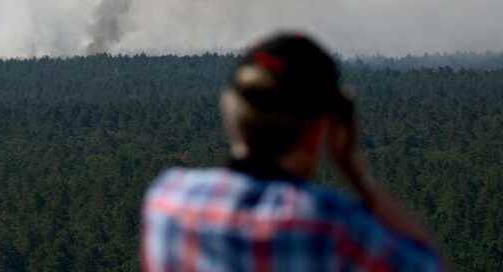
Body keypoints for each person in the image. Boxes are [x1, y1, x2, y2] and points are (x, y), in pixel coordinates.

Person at [141, 33, 443, 271]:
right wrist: (355, 173)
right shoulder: (333, 226)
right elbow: (427, 264)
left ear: (230, 111)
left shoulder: (167, 201)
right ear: (321, 128)